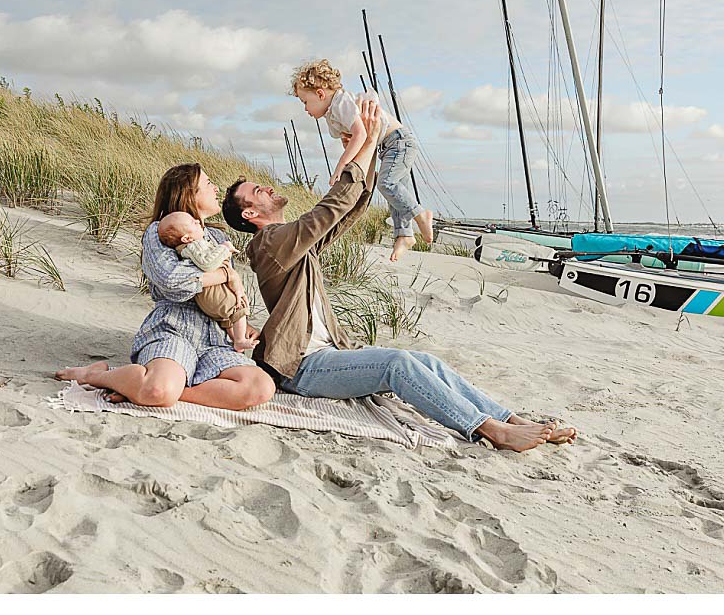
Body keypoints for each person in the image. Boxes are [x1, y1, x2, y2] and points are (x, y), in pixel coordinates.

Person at [223, 100, 576, 452]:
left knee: (427, 361)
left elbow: (346, 213)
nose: (267, 188)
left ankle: (511, 420)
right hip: (302, 368)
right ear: (251, 212)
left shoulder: (290, 244)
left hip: (328, 353)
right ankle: (490, 431)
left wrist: (370, 146)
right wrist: (367, 139)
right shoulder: (269, 244)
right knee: (398, 363)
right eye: (257, 192)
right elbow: (329, 210)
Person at [55, 164, 275, 410]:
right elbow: (172, 281)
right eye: (208, 184)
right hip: (174, 328)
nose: (215, 188)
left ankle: (152, 389)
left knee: (260, 388)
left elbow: (221, 295)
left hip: (216, 337)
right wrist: (225, 273)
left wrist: (239, 323)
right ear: (188, 195)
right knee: (157, 390)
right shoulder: (159, 231)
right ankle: (95, 376)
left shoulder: (216, 238)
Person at [291, 58, 434, 262]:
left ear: (320, 94)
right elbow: (353, 138)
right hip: (386, 146)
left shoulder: (341, 103)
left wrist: (341, 165)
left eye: (305, 102)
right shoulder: (333, 114)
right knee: (395, 194)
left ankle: (420, 215)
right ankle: (404, 234)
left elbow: (360, 135)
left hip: (399, 141)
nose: (305, 108)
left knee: (387, 184)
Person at [157, 210, 256, 352]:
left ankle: (236, 341)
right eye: (192, 222)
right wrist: (224, 248)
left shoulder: (189, 247)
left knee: (226, 319)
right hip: (213, 293)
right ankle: (240, 340)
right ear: (187, 238)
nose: (197, 222)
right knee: (238, 307)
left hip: (207, 297)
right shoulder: (195, 246)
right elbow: (208, 263)